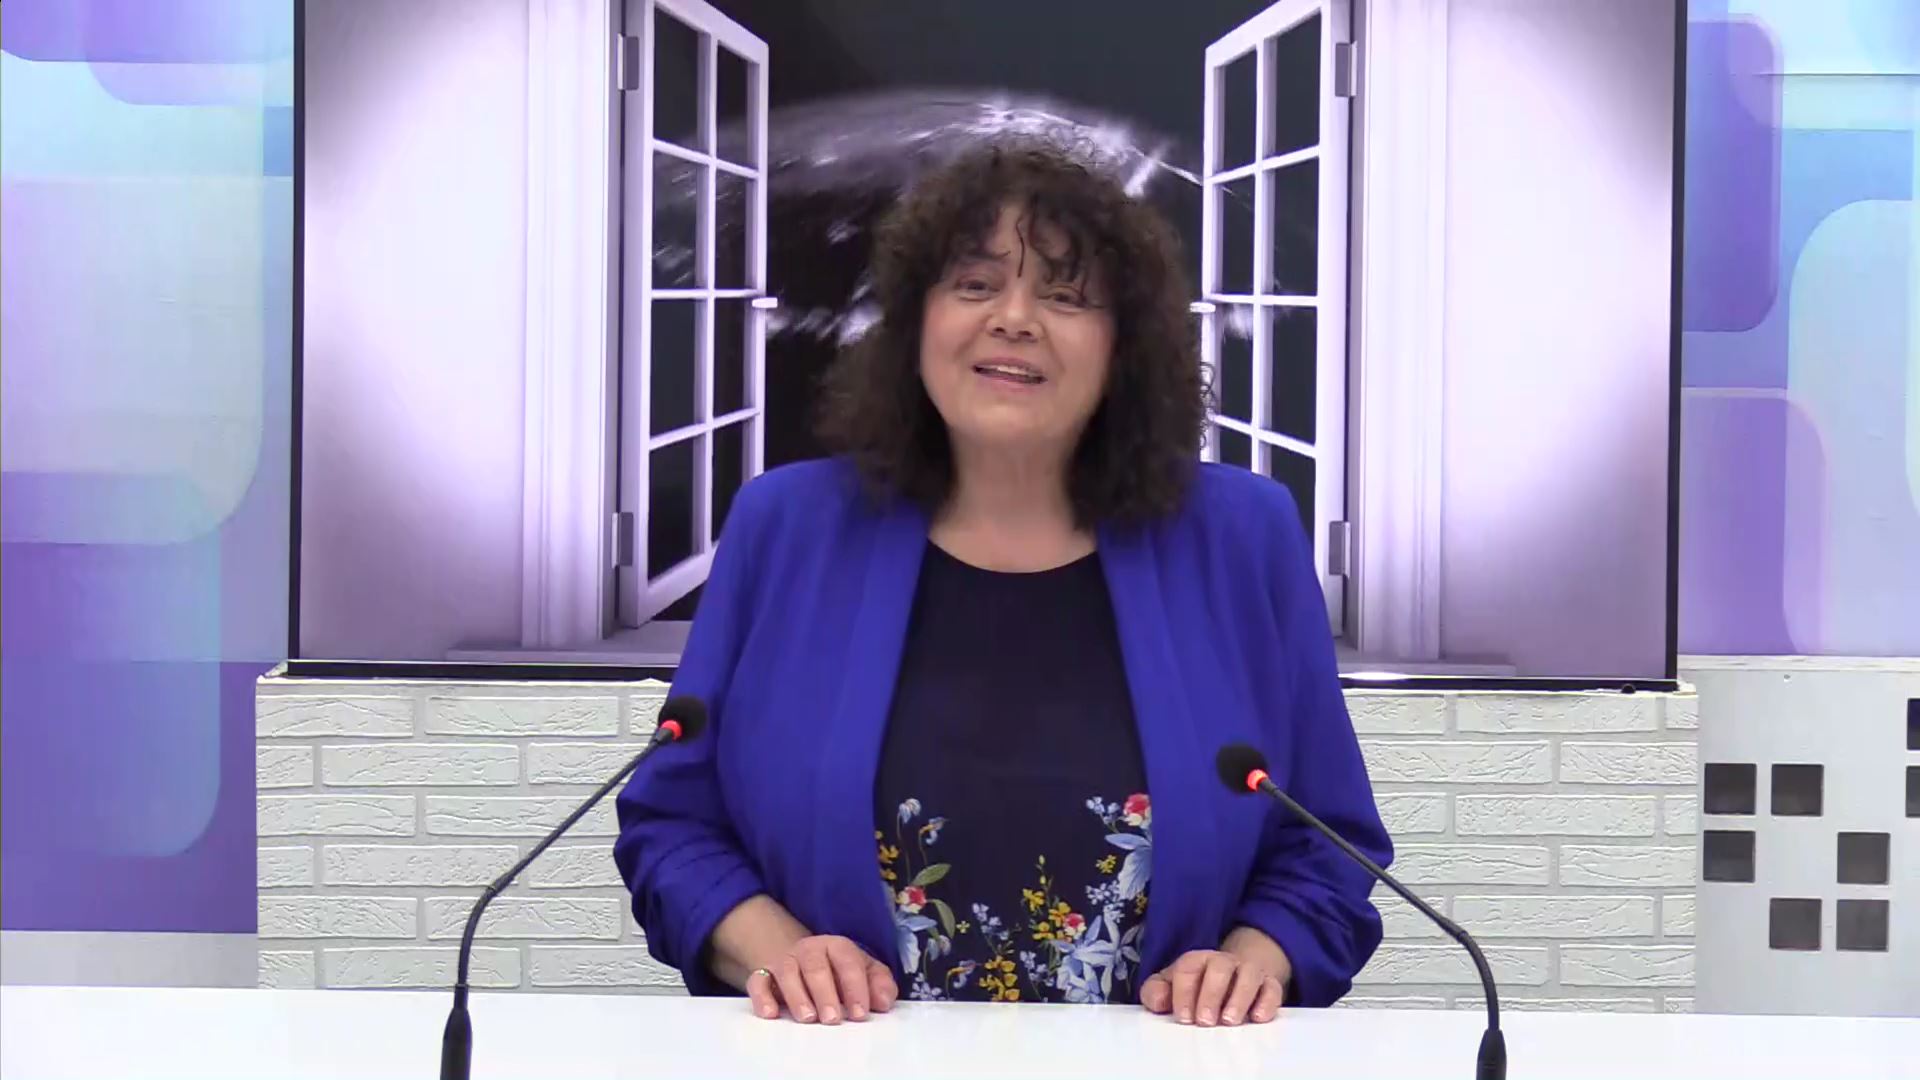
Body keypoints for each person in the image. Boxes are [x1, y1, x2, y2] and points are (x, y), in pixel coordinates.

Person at [612, 138, 1390, 1028]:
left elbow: (1328, 846)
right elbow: (673, 826)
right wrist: (778, 951)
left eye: (1065, 295)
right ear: (916, 325)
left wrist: (1253, 961)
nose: (1015, 318)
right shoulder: (785, 529)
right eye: (975, 285)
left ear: (1124, 347)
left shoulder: (1244, 540)